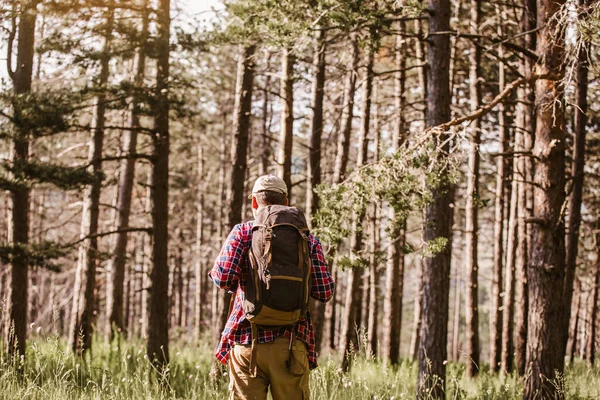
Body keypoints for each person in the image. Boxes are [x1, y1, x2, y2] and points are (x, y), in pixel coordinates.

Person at [209, 174, 335, 400]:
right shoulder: (308, 240)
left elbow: (223, 277)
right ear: (286, 202)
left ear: (254, 203)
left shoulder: (243, 232)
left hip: (248, 341)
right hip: (292, 342)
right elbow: (325, 291)